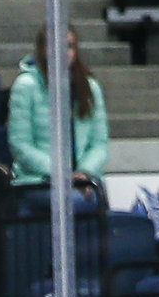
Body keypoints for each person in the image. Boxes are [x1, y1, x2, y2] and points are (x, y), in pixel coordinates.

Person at [8, 26, 109, 195]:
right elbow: (21, 146)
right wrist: (61, 174)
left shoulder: (91, 87)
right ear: (43, 50)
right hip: (38, 179)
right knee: (71, 202)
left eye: (69, 46)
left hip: (85, 181)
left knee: (91, 201)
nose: (62, 52)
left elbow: (99, 144)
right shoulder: (25, 86)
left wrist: (84, 172)